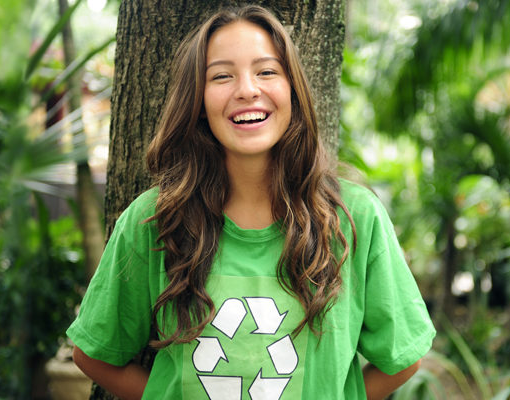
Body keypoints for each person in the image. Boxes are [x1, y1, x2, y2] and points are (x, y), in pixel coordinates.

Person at [67, 4, 435, 400]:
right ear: (198, 100)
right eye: (222, 76)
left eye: (267, 71)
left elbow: (403, 356)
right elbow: (94, 354)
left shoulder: (355, 218)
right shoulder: (154, 220)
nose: (246, 89)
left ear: (293, 89)